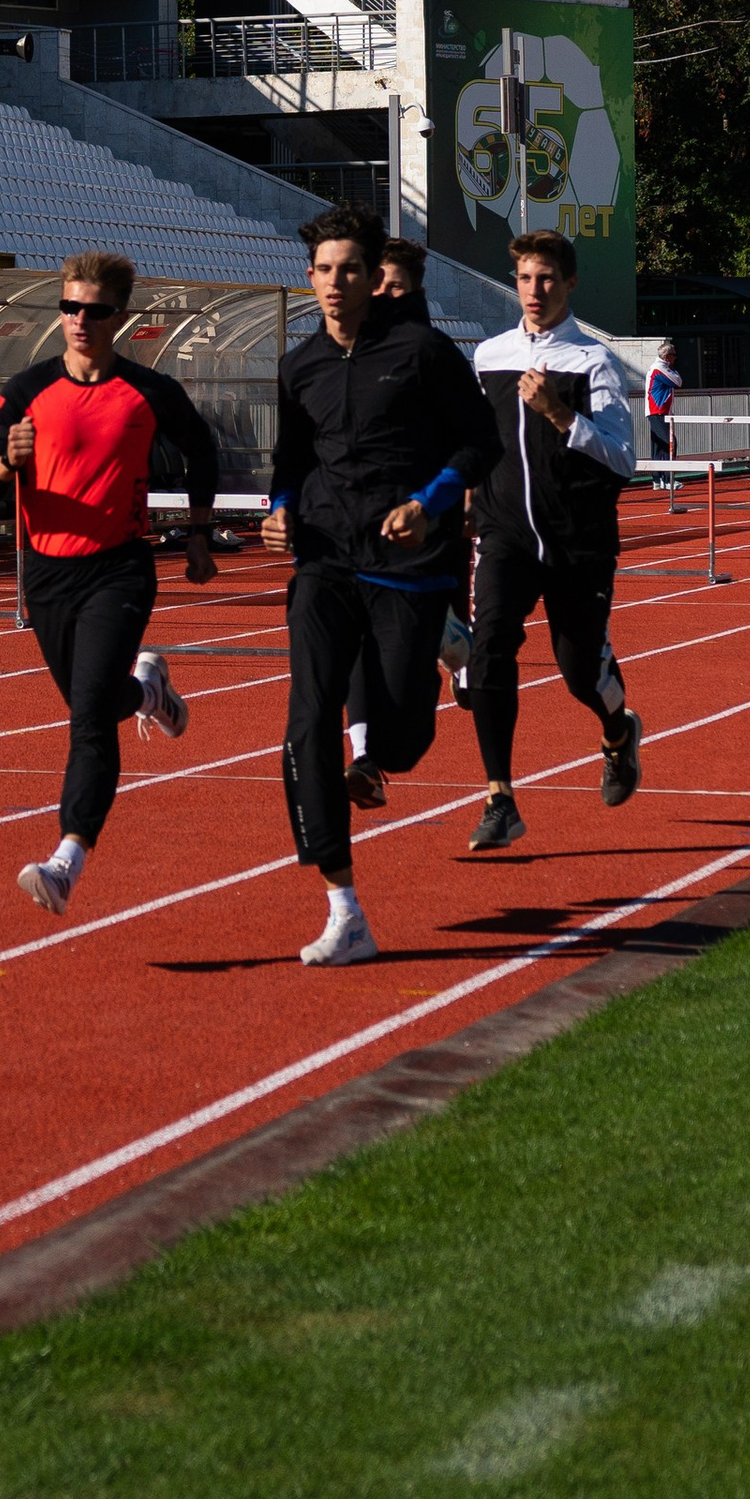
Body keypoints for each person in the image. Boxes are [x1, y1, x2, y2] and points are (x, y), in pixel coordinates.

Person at [263, 205, 499, 967]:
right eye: (325, 270)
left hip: (410, 567)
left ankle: (414, 697)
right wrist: (278, 510)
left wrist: (428, 505)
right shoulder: (298, 366)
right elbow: (290, 465)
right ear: (310, 278)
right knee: (306, 726)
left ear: (372, 279)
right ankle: (342, 904)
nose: (336, 283)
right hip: (326, 564)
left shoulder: (421, 352)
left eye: (351, 270)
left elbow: (480, 442)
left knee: (403, 737)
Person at [0, 250, 221, 920]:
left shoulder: (148, 391)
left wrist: (198, 531)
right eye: (70, 308)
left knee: (87, 716)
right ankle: (149, 689)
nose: (80, 320)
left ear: (119, 316)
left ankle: (66, 860)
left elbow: (202, 448)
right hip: (49, 573)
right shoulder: (26, 391)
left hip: (119, 567)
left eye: (95, 310)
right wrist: (6, 461)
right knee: (99, 699)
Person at [460, 229, 643, 855]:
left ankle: (618, 732)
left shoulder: (593, 362)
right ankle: (498, 797)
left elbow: (624, 459)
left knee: (576, 672)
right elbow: (478, 445)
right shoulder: (489, 356)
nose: (533, 291)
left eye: (545, 279)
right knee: (488, 653)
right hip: (505, 534)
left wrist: (561, 416)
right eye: (524, 279)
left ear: (569, 284)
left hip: (577, 541)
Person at [341, 237, 468, 767]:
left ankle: (450, 636)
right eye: (378, 284)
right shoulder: (343, 353)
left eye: (396, 285)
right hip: (358, 530)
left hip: (422, 528)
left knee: (410, 723)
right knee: (353, 639)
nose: (385, 293)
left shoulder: (434, 355)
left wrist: (436, 500)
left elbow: (472, 443)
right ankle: (362, 756)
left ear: (415, 290)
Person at [645, 336, 681, 462]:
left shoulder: (660, 368)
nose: (675, 358)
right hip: (657, 412)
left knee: (659, 446)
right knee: (670, 443)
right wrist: (672, 369)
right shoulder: (659, 368)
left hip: (661, 412)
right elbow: (678, 382)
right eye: (673, 355)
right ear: (666, 356)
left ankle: (659, 479)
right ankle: (666, 478)